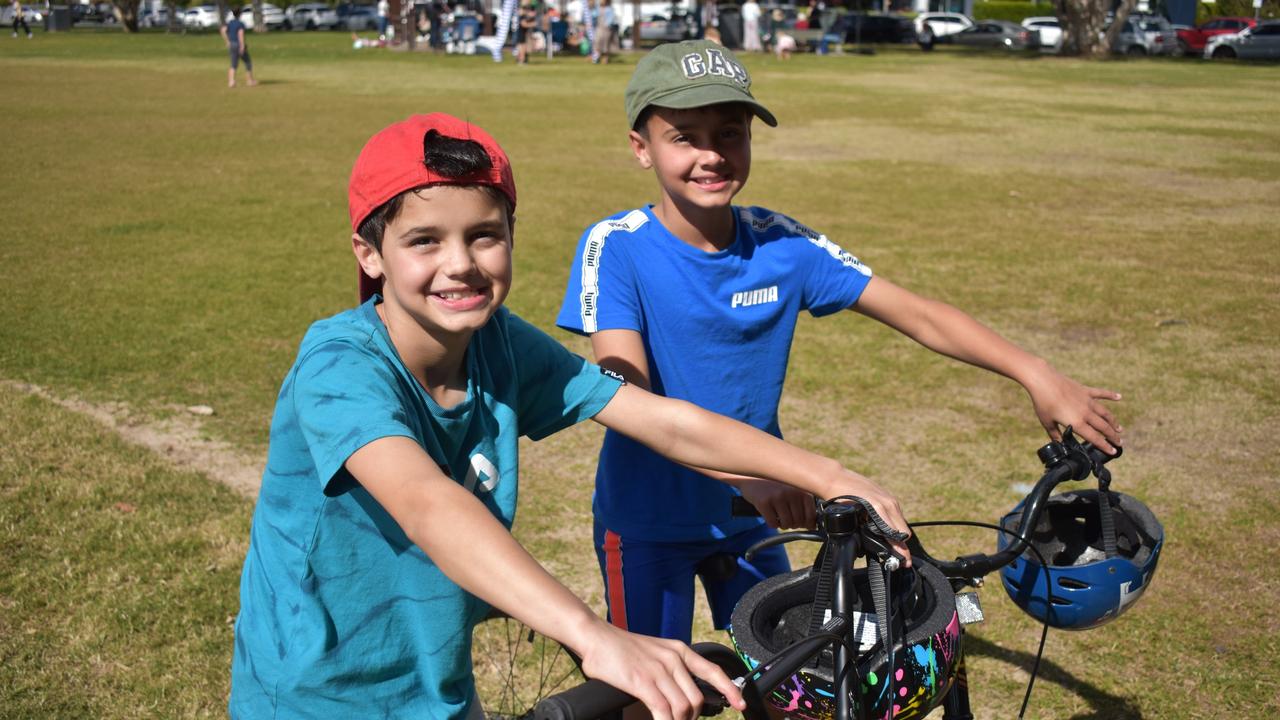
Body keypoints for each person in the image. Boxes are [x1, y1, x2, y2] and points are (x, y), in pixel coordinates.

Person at [228, 112, 910, 720]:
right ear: (370, 255)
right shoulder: (340, 366)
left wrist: (830, 474)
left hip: (438, 684)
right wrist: (594, 634)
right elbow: (426, 504)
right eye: (425, 241)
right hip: (315, 694)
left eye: (484, 236)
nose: (460, 265)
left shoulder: (499, 344)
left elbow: (658, 419)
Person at [556, 40, 1123, 649]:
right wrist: (747, 479)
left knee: (789, 679)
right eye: (684, 137)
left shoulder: (782, 244)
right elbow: (629, 399)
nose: (712, 154)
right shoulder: (615, 247)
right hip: (649, 520)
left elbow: (918, 314)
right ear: (641, 148)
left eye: (730, 133)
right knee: (653, 692)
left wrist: (1034, 372)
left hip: (758, 519)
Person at [219, 8, 256, 88]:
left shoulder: (230, 23)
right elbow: (240, 34)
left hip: (232, 44)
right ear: (240, 14)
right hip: (238, 44)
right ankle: (250, 81)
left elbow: (223, 30)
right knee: (247, 62)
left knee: (233, 64)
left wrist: (227, 41)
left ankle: (231, 81)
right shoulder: (240, 24)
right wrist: (242, 46)